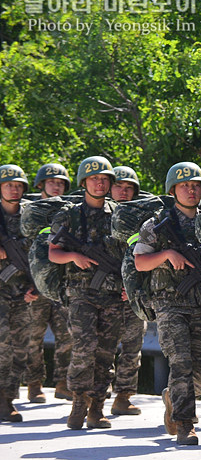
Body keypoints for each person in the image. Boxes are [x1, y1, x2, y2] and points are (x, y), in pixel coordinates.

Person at [134, 162, 201, 446]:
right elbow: (140, 262)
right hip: (170, 305)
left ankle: (174, 396)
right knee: (181, 363)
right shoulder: (157, 223)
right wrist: (167, 253)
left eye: (195, 186)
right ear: (173, 190)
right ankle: (185, 424)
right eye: (184, 186)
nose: (191, 190)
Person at [49, 156, 125, 430]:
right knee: (84, 347)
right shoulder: (69, 215)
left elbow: (129, 256)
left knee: (105, 353)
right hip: (81, 294)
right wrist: (73, 257)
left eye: (104, 179)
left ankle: (97, 408)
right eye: (94, 179)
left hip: (112, 294)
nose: (100, 183)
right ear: (83, 182)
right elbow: (52, 253)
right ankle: (78, 400)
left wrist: (128, 285)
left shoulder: (118, 214)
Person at [26, 163, 74, 402]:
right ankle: (34, 384)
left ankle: (63, 383)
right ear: (41, 185)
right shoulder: (30, 211)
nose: (56, 186)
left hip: (63, 284)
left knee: (67, 336)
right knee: (32, 338)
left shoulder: (71, 211)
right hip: (34, 286)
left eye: (61, 182)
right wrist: (27, 283)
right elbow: (23, 250)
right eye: (51, 182)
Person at [0, 165, 39, 422]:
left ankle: (8, 397)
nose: (14, 189)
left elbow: (42, 254)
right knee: (2, 348)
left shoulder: (31, 217)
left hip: (22, 293)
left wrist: (37, 287)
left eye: (18, 185)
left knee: (20, 349)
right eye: (8, 184)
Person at [107, 166, 145, 416]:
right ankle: (95, 395)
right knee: (103, 348)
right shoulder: (100, 214)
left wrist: (133, 288)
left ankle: (123, 396)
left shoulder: (143, 217)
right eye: (119, 186)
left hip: (134, 293)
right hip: (103, 293)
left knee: (132, 348)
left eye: (129, 187)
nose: (124, 191)